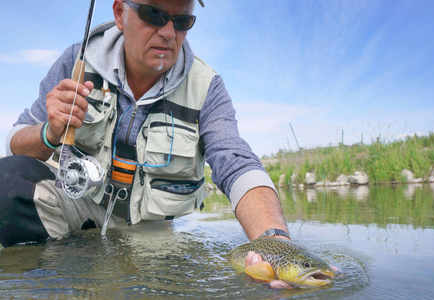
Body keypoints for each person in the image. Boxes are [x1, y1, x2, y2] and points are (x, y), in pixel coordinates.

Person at [1, 0, 291, 288]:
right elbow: (15, 141)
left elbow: (235, 161)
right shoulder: (75, 59)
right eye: (154, 14)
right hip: (77, 204)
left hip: (151, 232)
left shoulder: (208, 88)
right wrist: (49, 133)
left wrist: (275, 241)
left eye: (182, 22)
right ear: (119, 13)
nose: (168, 32)